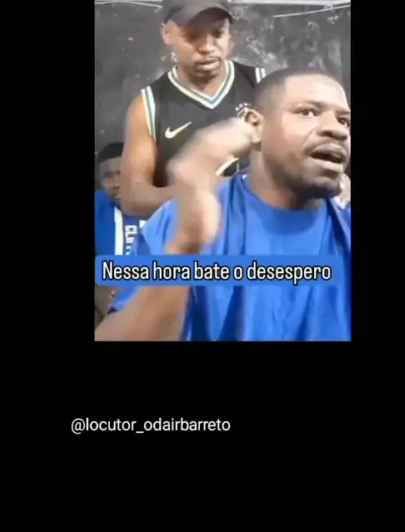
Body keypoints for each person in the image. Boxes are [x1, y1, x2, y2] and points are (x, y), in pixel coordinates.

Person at [96, 69, 351, 341]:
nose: (336, 129)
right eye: (308, 112)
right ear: (255, 125)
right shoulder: (179, 220)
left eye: (344, 121)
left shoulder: (345, 226)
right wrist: (185, 247)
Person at [120, 0, 350, 220]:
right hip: (194, 238)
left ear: (230, 33)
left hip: (266, 231)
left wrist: (331, 176)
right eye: (192, 36)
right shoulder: (148, 105)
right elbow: (133, 199)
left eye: (218, 33)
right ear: (167, 33)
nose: (208, 47)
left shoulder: (266, 86)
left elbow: (303, 155)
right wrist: (216, 191)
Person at [94, 142, 145, 325]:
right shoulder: (98, 205)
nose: (116, 184)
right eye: (108, 177)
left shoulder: (162, 203)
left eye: (122, 173)